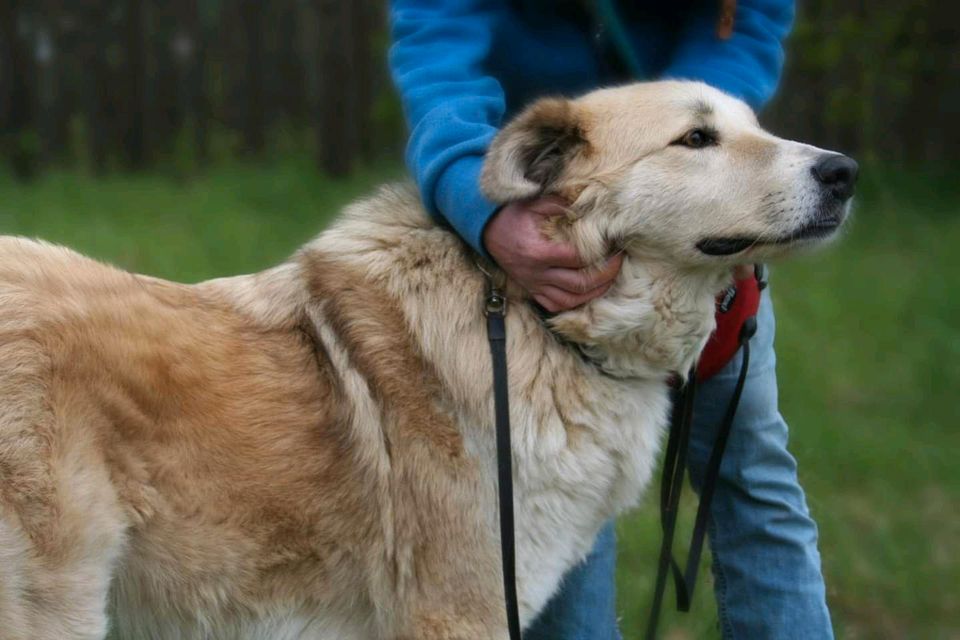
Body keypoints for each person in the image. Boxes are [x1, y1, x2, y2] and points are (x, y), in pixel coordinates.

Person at [388, 1, 833, 638]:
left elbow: (747, 24)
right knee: (556, 492)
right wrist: (479, 203)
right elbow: (437, 46)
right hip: (541, 210)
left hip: (699, 227)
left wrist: (689, 123)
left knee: (755, 483)